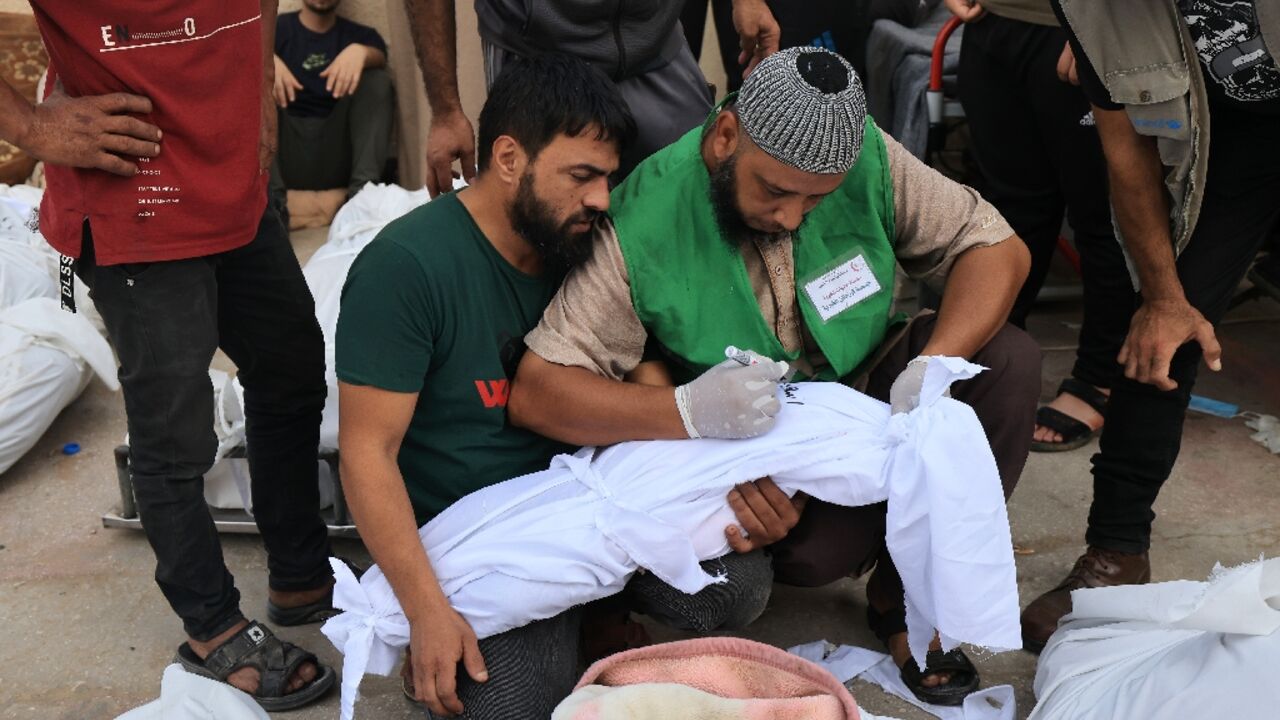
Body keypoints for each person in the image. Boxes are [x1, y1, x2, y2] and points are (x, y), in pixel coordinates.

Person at [508, 46, 1040, 707]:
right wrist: (693, 418)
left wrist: (930, 371)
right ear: (726, 136)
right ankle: (863, 535)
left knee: (1007, 362)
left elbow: (996, 249)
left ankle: (905, 605)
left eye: (818, 200)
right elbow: (539, 391)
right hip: (750, 449)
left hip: (865, 393)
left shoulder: (864, 155)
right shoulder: (642, 218)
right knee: (813, 556)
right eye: (776, 191)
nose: (793, 218)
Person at [0, 1, 338, 711]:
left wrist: (255, 99)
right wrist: (30, 126)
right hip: (135, 193)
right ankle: (213, 631)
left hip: (232, 180)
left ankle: (300, 573)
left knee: (291, 369)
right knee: (174, 433)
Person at [1020, 0, 1280, 650]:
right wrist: (1163, 296)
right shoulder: (1092, 6)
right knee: (1161, 330)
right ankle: (1116, 552)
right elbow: (1124, 145)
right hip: (1235, 136)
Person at [944, 0, 1133, 452]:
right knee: (1006, 210)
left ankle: (1099, 376)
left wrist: (1100, 20)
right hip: (995, 24)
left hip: (1080, 26)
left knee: (1102, 214)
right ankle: (992, 366)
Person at [404, 0, 782, 193]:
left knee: (702, 195)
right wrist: (446, 109)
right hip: (539, 49)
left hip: (654, 39)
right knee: (552, 227)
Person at [270, 0, 392, 220]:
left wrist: (362, 53)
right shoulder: (275, 31)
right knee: (252, 81)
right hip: (285, 151)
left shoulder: (360, 36)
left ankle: (362, 200)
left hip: (337, 152)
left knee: (377, 81)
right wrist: (264, 61)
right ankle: (274, 207)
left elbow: (380, 57)